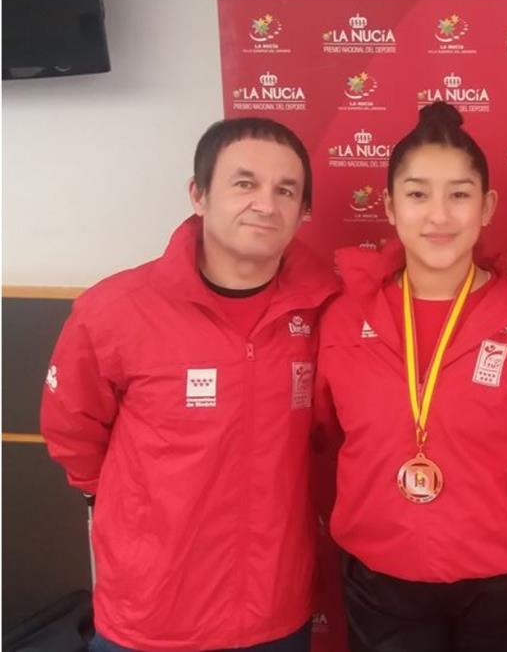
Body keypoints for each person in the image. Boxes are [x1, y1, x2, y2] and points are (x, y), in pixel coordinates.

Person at [41, 118, 337, 651]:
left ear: (303, 211)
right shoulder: (114, 311)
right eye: (244, 183)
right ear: (198, 195)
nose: (266, 204)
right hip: (151, 615)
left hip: (275, 612)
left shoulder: (327, 309)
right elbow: (73, 434)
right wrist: (138, 523)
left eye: (285, 190)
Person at [313, 101, 507, 652]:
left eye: (459, 194)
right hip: (383, 579)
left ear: (487, 207)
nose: (438, 215)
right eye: (417, 194)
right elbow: (327, 434)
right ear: (388, 206)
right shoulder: (344, 319)